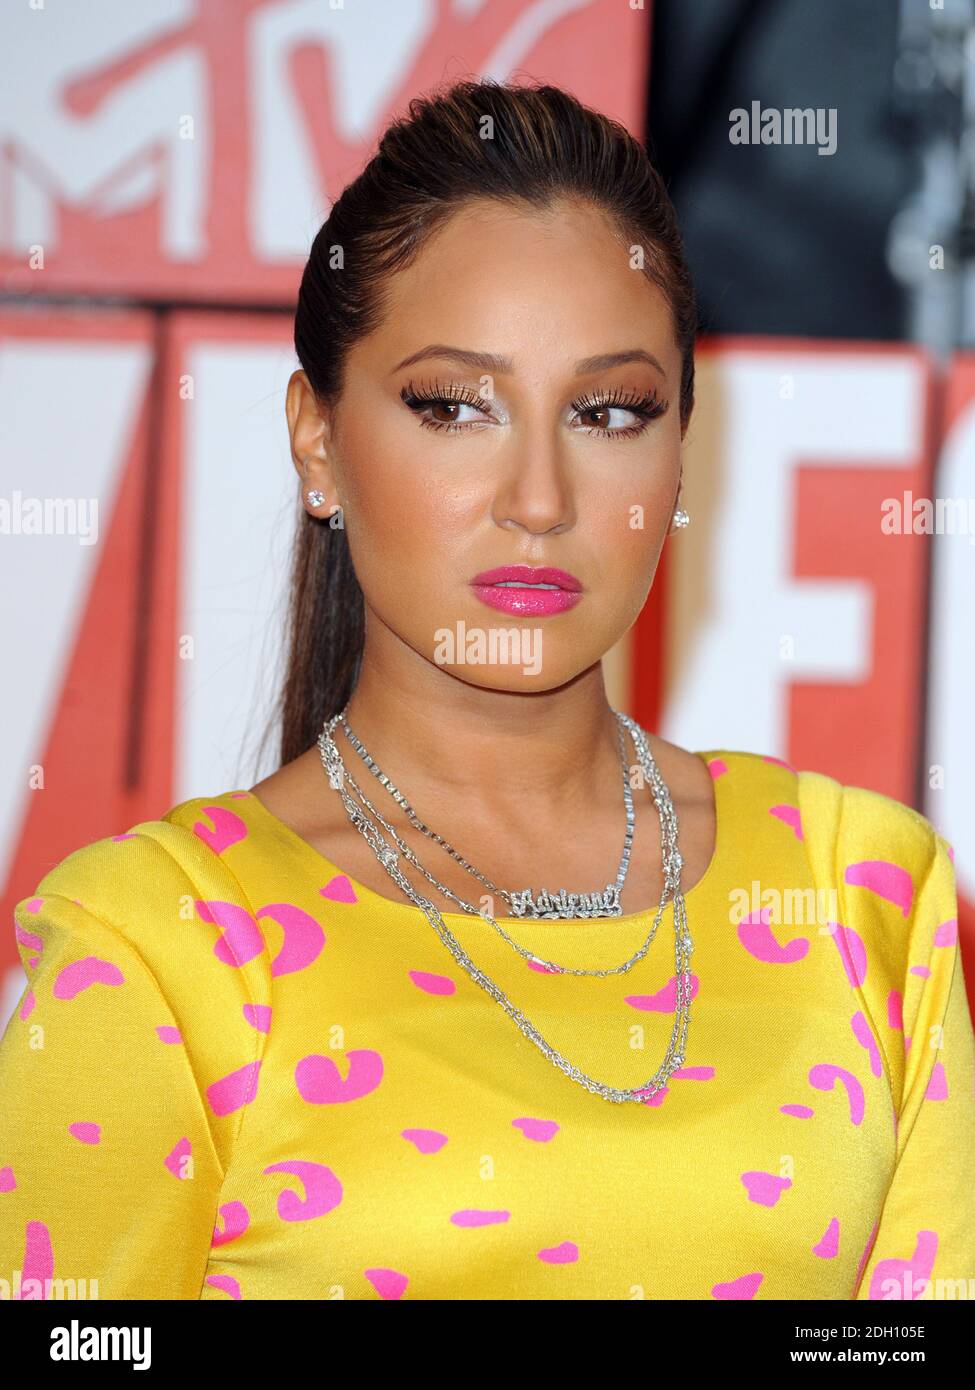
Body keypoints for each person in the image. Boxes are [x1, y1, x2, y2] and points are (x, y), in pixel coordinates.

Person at [2, 78, 973, 1303]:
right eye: (454, 405)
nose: (539, 498)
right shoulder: (157, 950)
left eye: (610, 411)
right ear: (318, 441)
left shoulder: (860, 895)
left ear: (680, 449)